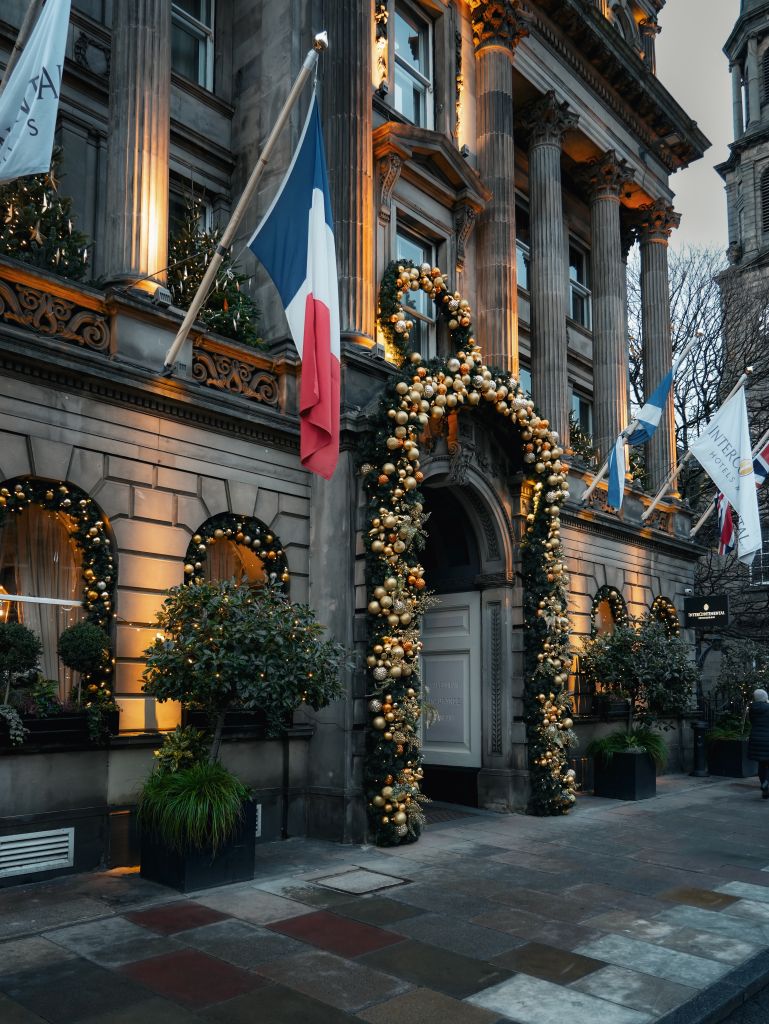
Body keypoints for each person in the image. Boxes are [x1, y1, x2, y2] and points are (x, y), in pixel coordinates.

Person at [748, 689, 769, 798]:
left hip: (756, 738)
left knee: (762, 764)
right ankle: (767, 782)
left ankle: (764, 788)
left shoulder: (752, 709)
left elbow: (752, 722)